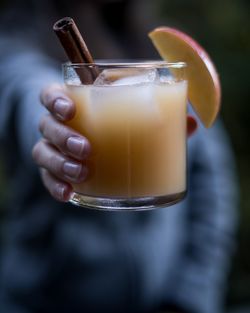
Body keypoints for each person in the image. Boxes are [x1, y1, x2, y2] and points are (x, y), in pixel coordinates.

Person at [0, 0, 238, 313]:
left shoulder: (167, 55)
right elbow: (24, 88)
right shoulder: (20, 34)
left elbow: (212, 185)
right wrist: (51, 123)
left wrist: (189, 298)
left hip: (161, 301)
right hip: (43, 302)